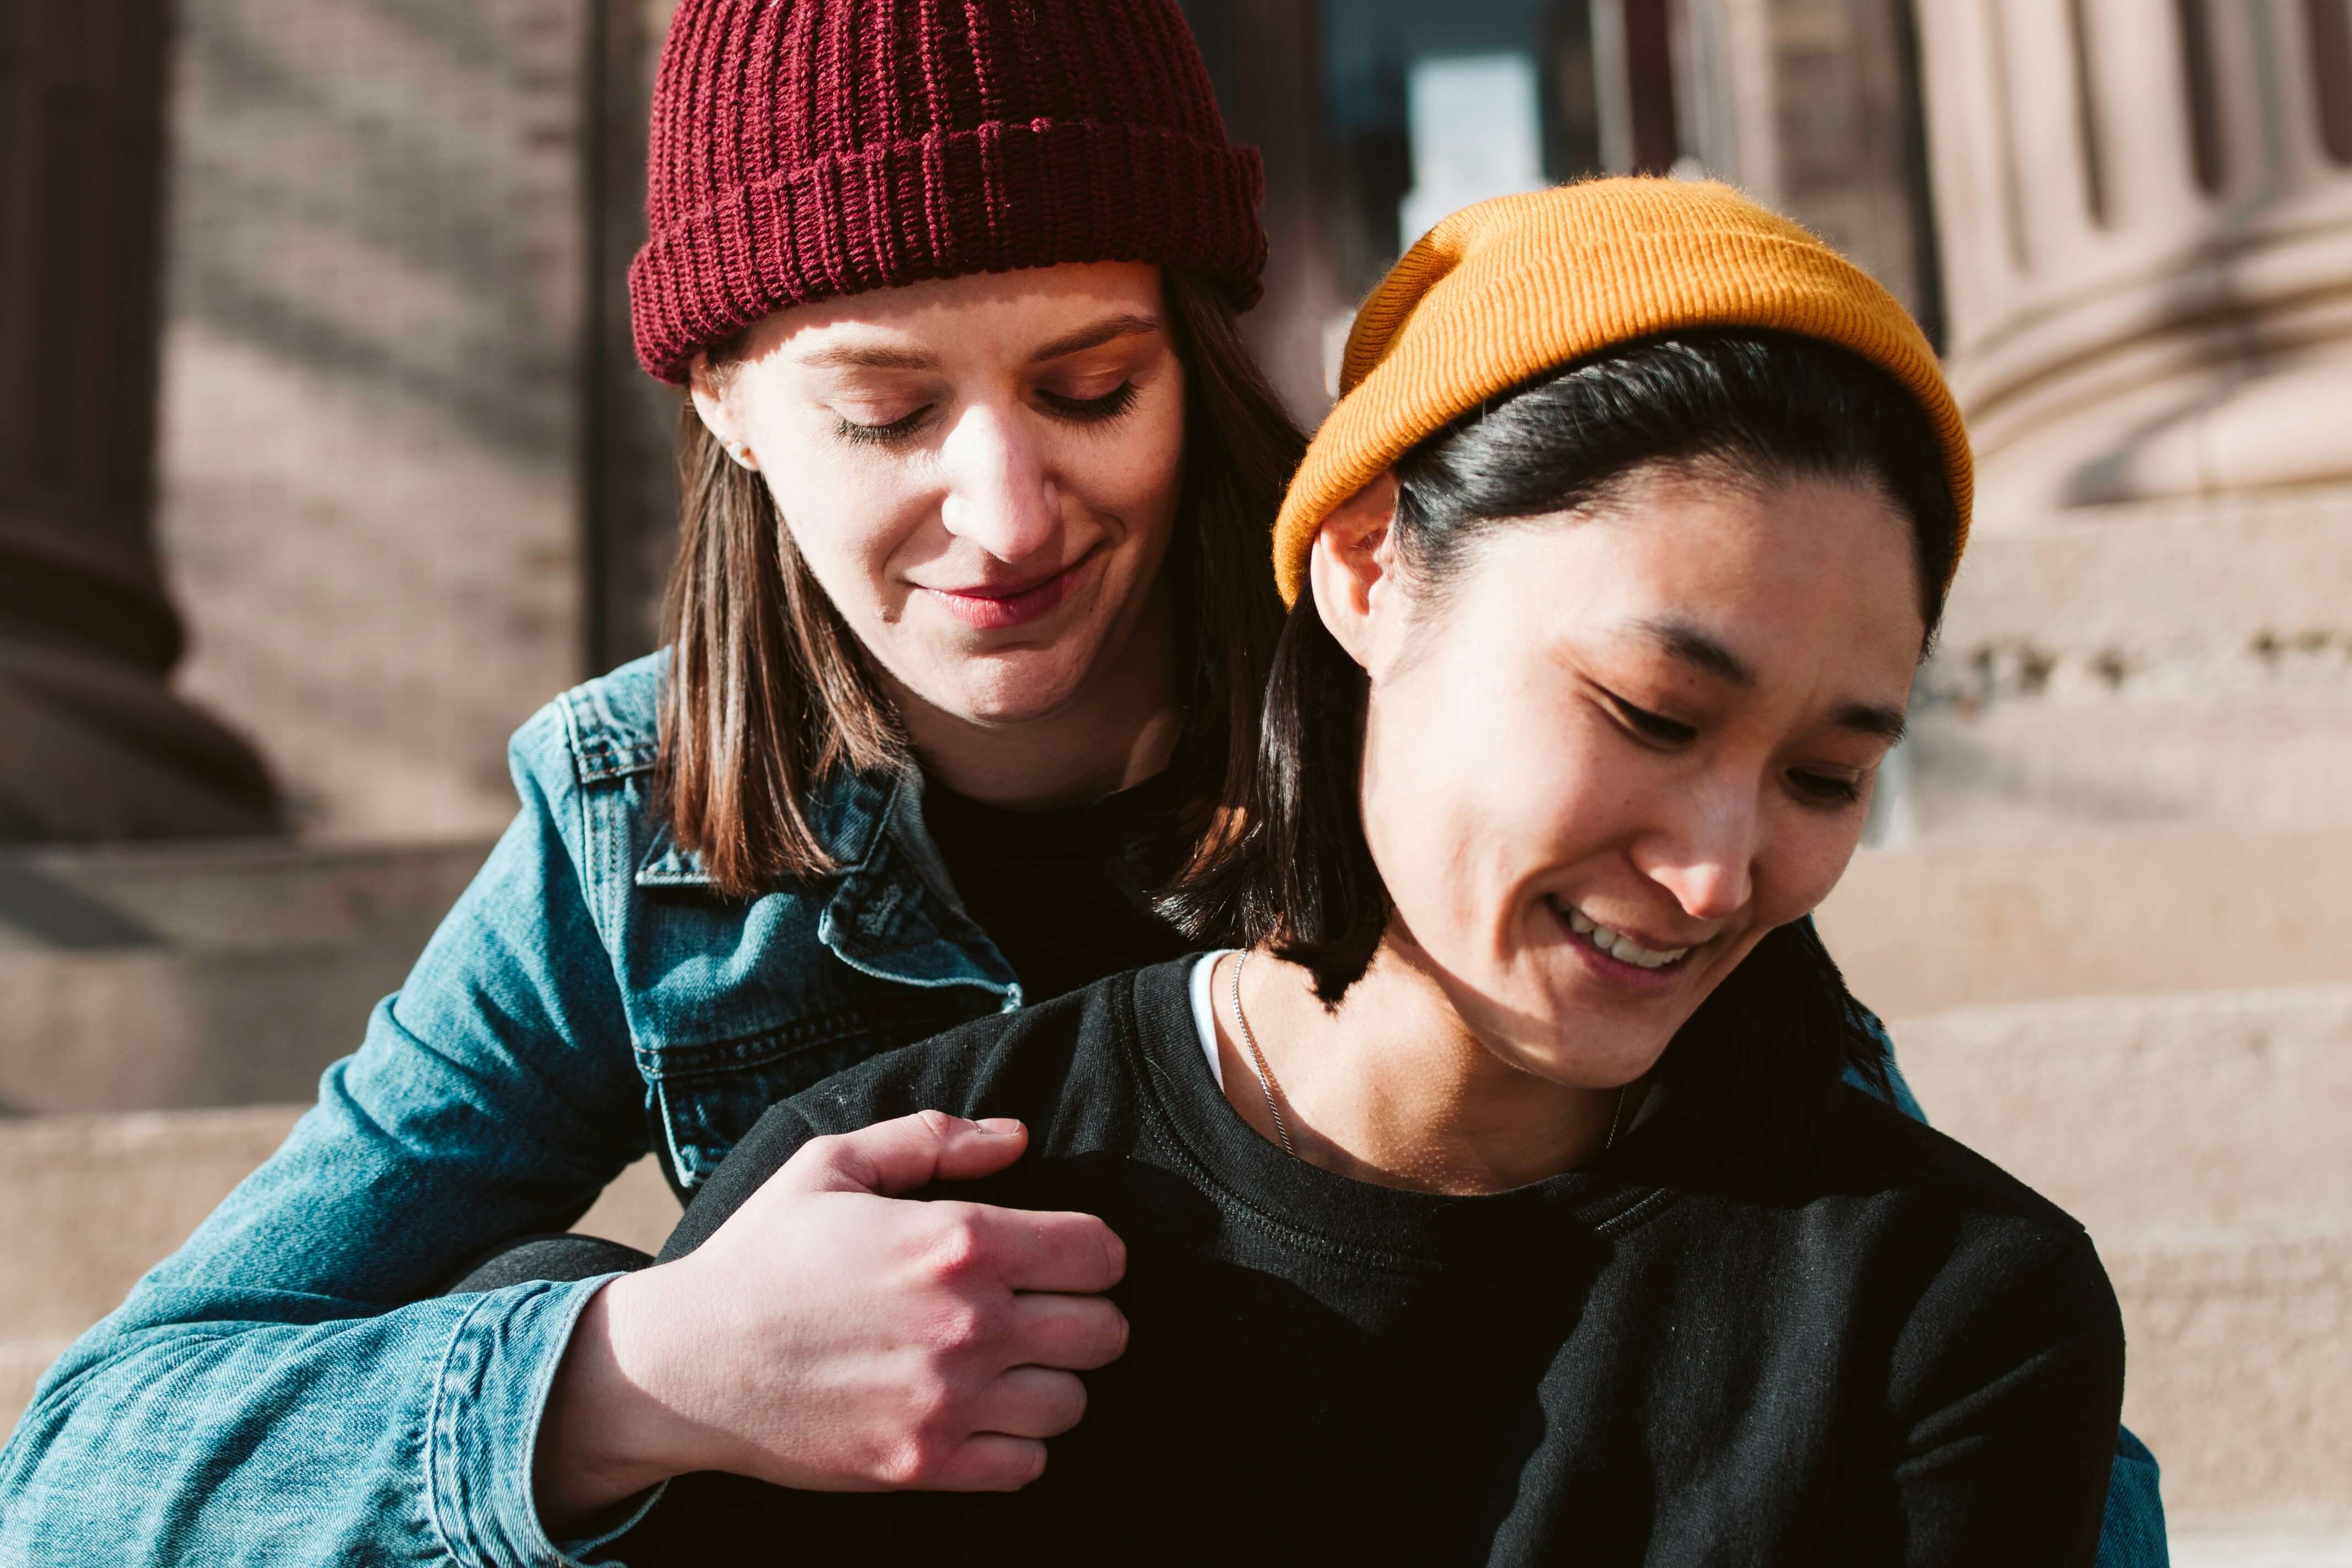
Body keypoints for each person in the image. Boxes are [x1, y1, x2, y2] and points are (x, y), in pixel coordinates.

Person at [568, 181, 2130, 1564]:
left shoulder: (1945, 1312)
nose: (1718, 872)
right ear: (1371, 568)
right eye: (1648, 715)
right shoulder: (896, 1241)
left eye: (1822, 777)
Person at [0, 2, 1299, 1560]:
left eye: (1092, 389)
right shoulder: (638, 824)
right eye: (884, 412)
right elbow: (83, 1477)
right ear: (726, 403)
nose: (1008, 515)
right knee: (528, 1302)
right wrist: (647, 1377)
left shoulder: (1420, 709)